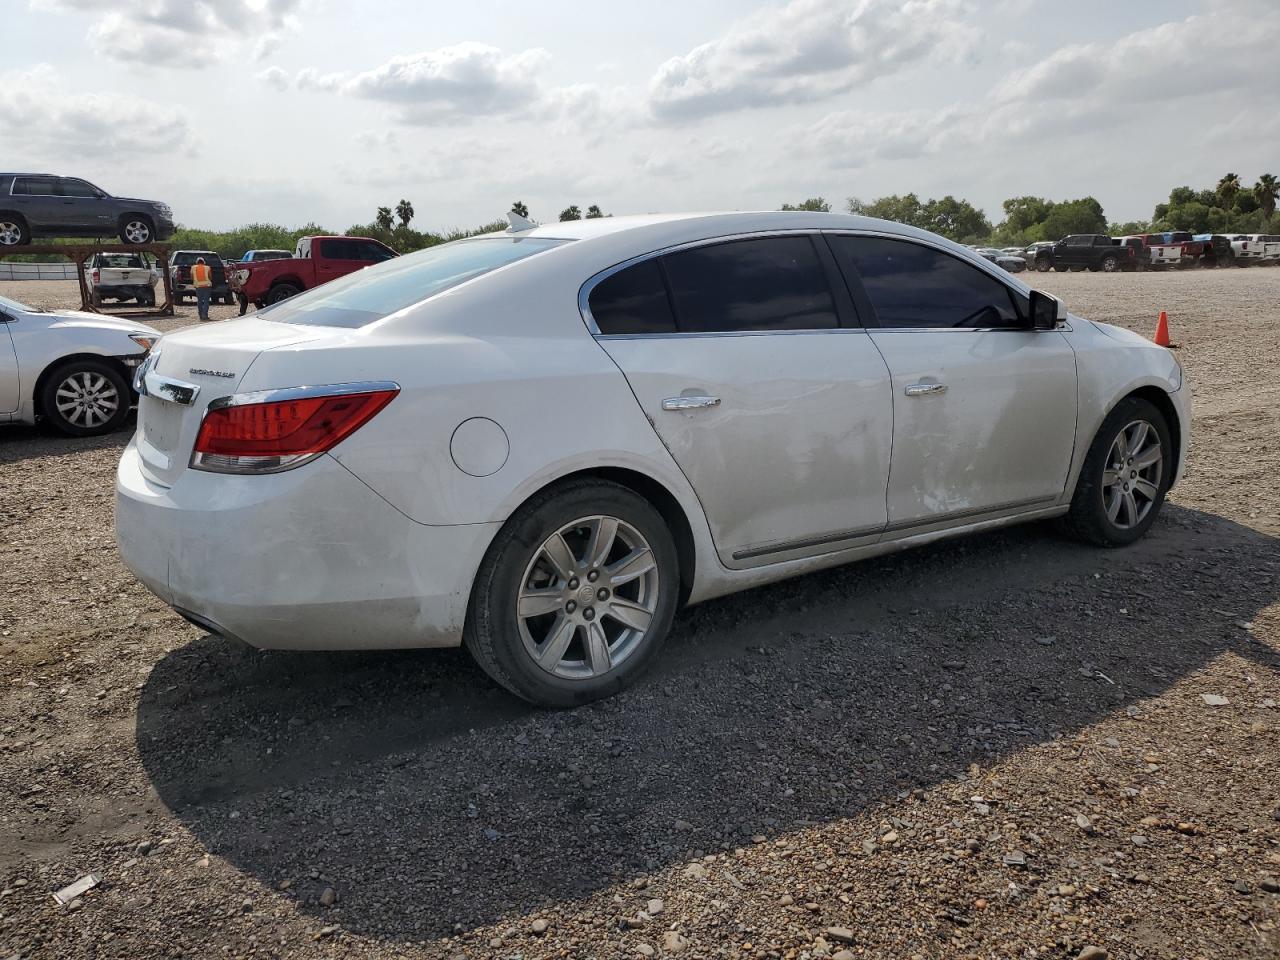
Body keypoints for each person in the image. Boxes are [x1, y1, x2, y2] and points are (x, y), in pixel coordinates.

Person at [192, 256, 213, 321]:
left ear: (197, 262)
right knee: (206, 301)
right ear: (203, 262)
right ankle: (205, 315)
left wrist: (195, 282)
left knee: (199, 301)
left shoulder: (193, 268)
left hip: (198, 286)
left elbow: (192, 276)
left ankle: (200, 315)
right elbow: (210, 277)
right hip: (207, 286)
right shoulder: (207, 267)